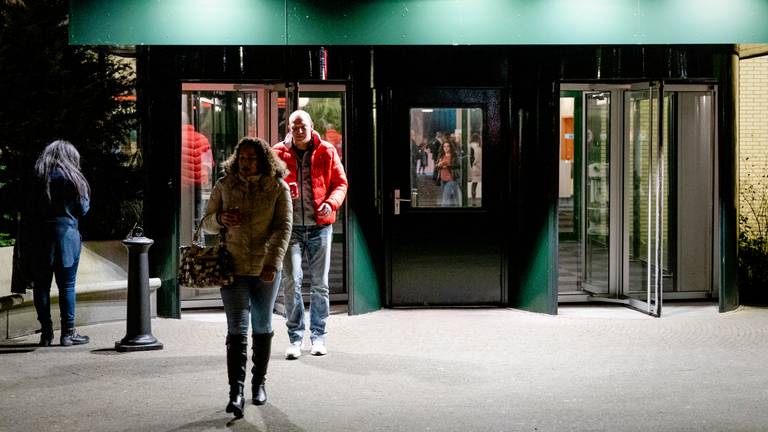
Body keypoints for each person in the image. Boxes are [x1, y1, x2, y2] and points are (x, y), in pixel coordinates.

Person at [201, 137, 292, 417]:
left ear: (263, 160)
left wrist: (273, 262)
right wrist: (220, 220)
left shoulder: (277, 188)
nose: (246, 163)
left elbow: (283, 228)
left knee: (262, 325)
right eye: (242, 158)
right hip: (233, 267)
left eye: (251, 158)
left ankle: (258, 383)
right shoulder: (225, 185)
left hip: (264, 268)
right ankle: (236, 391)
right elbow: (206, 223)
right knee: (236, 329)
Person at [273, 110, 348, 359]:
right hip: (290, 229)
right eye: (294, 127)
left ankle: (318, 336)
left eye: (302, 126)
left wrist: (332, 202)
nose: (298, 131)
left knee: (320, 285)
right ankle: (295, 338)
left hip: (320, 227)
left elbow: (341, 183)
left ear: (311, 126)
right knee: (292, 281)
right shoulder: (277, 153)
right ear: (289, 129)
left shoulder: (326, 150)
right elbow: (268, 185)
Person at [27, 140, 91, 347]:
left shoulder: (38, 177)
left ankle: (46, 334)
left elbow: (28, 209)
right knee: (67, 286)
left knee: (42, 287)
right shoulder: (74, 179)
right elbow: (83, 209)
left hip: (39, 237)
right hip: (67, 238)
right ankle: (67, 334)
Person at [436, 140, 460, 207]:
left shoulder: (454, 155)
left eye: (448, 146)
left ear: (450, 147)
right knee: (451, 199)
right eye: (444, 146)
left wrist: (447, 166)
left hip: (451, 179)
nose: (446, 148)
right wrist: (439, 165)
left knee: (445, 200)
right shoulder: (441, 155)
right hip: (442, 180)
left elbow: (458, 165)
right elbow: (436, 167)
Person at [469, 133, 482, 204]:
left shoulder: (471, 146)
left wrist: (473, 163)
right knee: (475, 183)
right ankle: (474, 200)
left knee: (473, 184)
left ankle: (473, 200)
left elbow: (475, 158)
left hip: (474, 167)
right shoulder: (480, 146)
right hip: (480, 167)